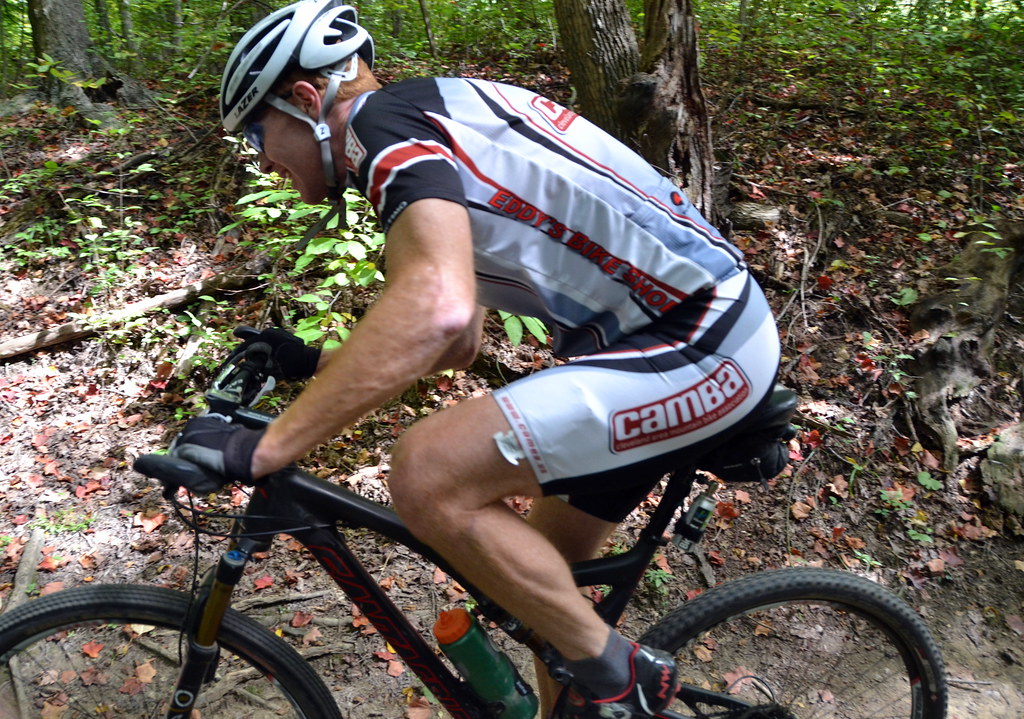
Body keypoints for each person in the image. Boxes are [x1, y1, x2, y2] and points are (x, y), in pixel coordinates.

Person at [172, 1, 782, 717]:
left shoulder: (381, 131)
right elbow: (458, 338)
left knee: (426, 471)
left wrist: (262, 447)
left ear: (307, 101)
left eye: (257, 133)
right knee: (541, 595)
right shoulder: (433, 118)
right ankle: (592, 689)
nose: (261, 158)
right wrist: (314, 359)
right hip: (675, 341)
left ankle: (629, 677)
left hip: (699, 341)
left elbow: (439, 311)